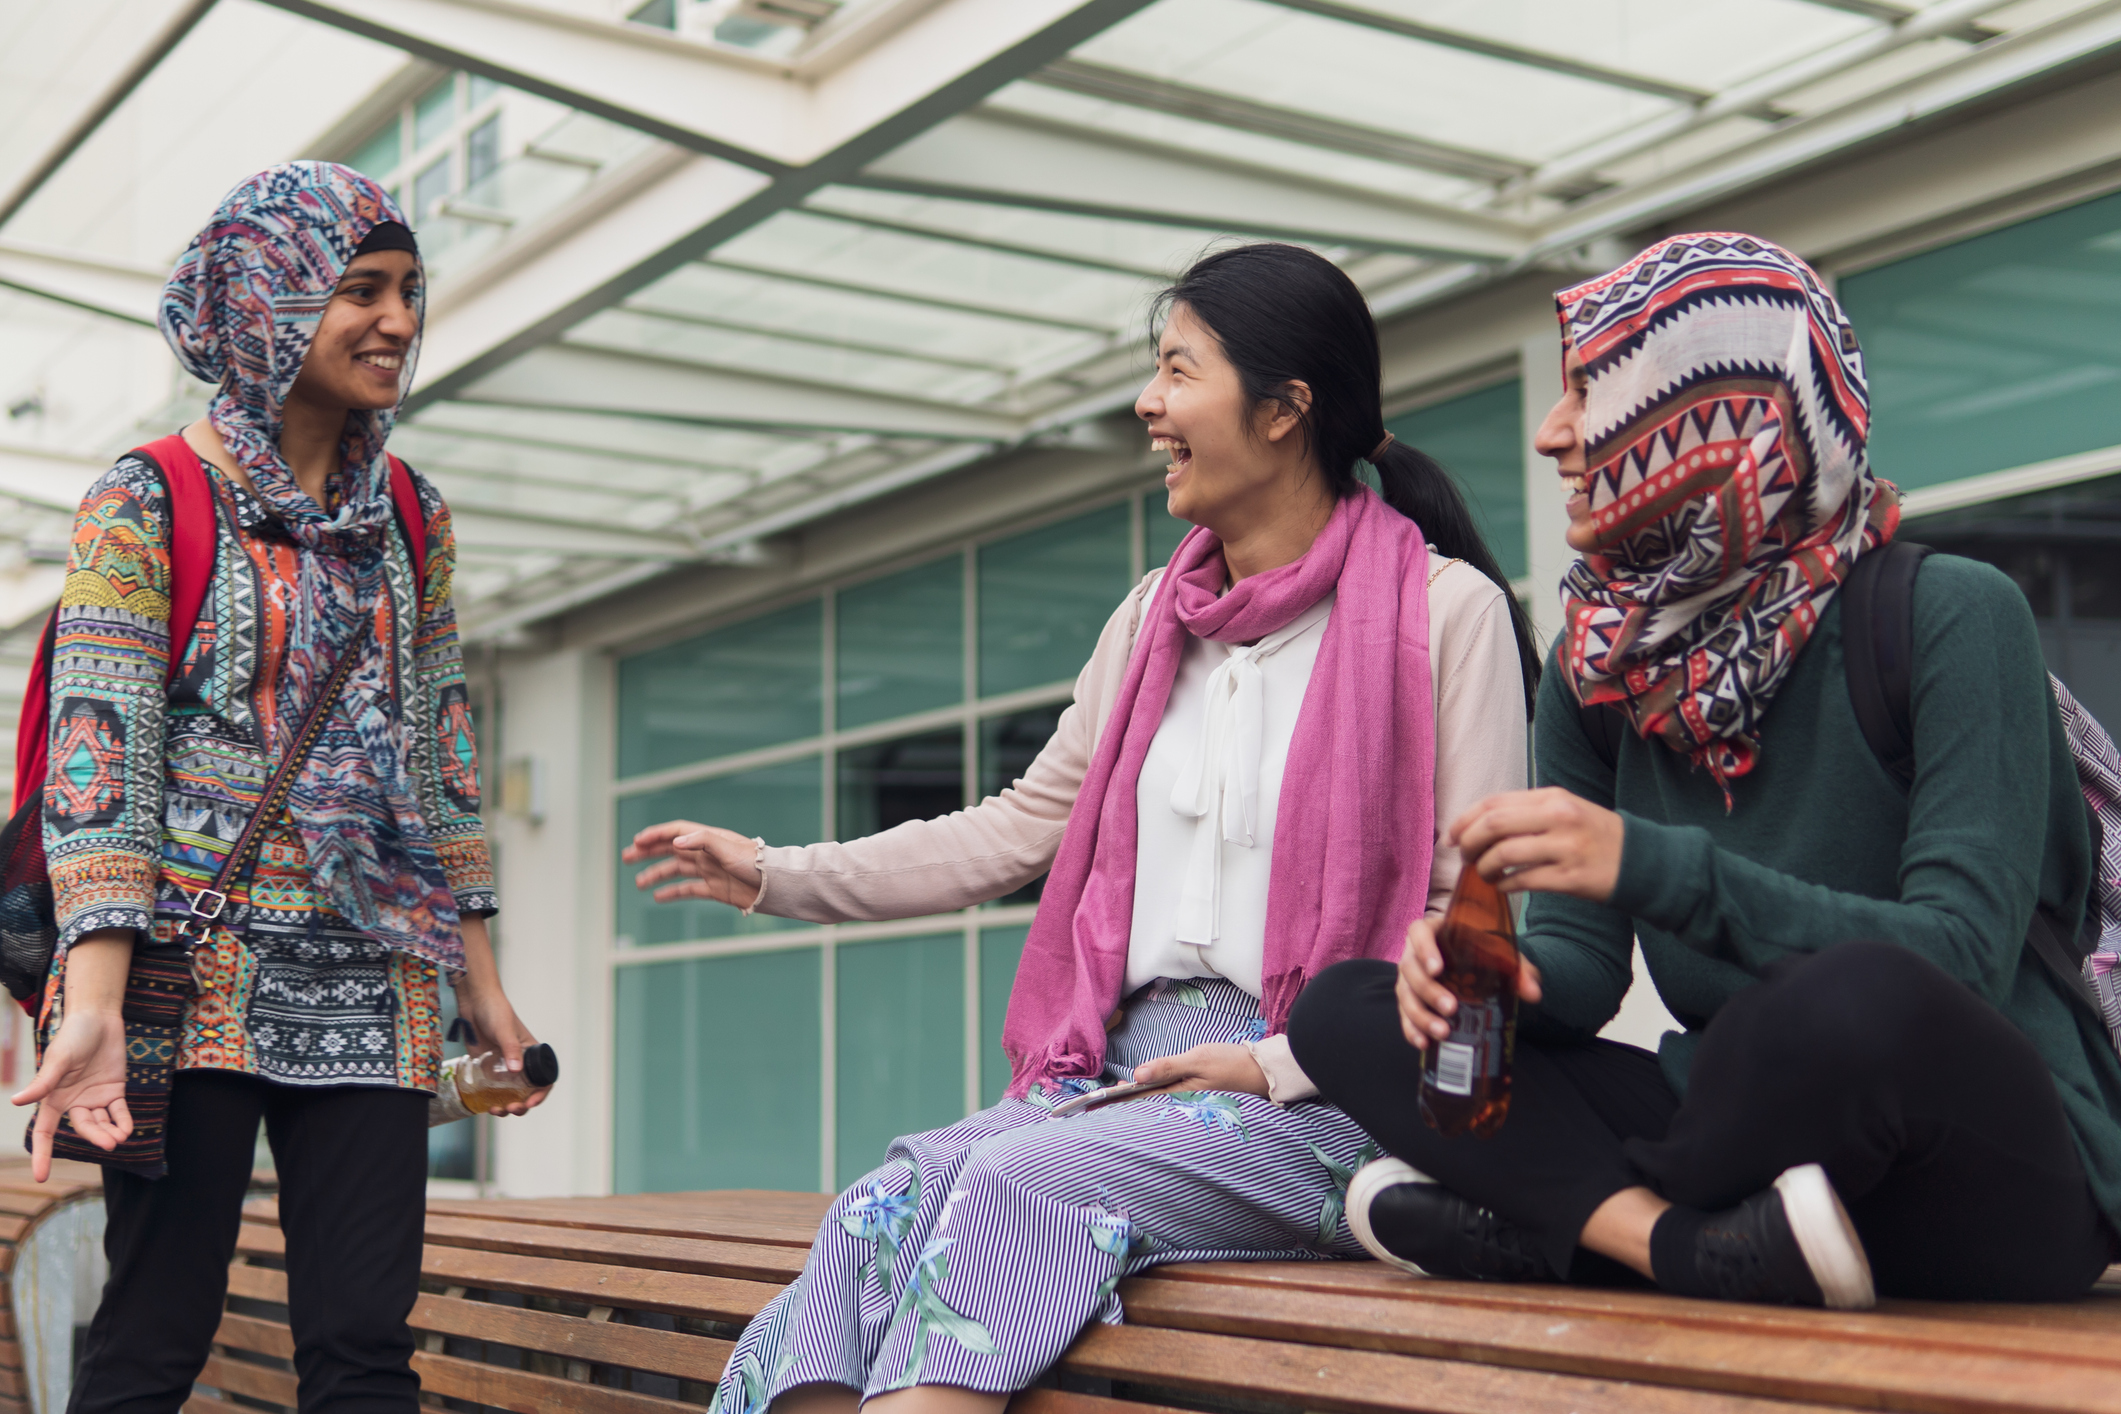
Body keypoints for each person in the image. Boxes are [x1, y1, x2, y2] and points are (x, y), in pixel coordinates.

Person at [622, 242, 1538, 1414]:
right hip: (1121, 1073)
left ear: (1283, 411)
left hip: (1330, 1089)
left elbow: (1468, 917)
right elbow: (1016, 829)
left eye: (1177, 369)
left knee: (1015, 1184)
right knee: (880, 1202)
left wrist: (1275, 1061)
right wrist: (772, 872)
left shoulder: (1443, 611)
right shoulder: (1156, 618)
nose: (1148, 404)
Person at [1289, 232, 2121, 1309]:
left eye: (1591, 394)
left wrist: (1652, 865)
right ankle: (1678, 1246)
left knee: (1839, 999)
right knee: (1343, 1009)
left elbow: (1957, 957)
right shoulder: (1597, 670)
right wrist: (1486, 988)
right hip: (1751, 1148)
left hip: (1985, 1170)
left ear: (1719, 417)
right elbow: (1583, 970)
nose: (1551, 435)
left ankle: (1563, 1221)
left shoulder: (1951, 614)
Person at [15, 163, 550, 1412]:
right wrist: (89, 1000)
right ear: (268, 296)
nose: (400, 322)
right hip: (187, 985)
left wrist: (485, 991)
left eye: (412, 291)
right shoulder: (147, 496)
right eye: (360, 289)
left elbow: (441, 764)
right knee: (154, 1337)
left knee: (365, 1349)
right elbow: (100, 762)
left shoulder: (413, 516)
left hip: (377, 979)